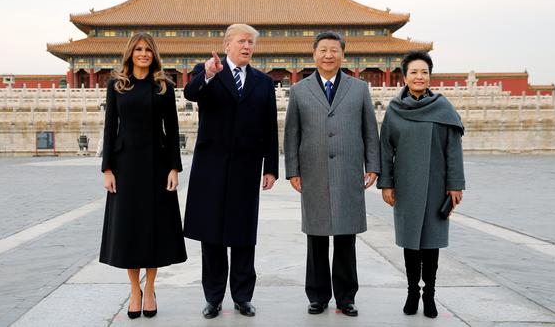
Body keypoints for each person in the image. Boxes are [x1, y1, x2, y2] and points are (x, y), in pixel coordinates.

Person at [183, 23, 279, 319]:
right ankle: (213, 298)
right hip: (210, 167)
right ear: (227, 46)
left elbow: (269, 128)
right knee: (211, 235)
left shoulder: (263, 83)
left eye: (251, 42)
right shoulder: (209, 70)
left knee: (242, 234)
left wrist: (271, 168)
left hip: (246, 168)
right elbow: (190, 93)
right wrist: (209, 75)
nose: (247, 47)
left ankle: (242, 296)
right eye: (241, 41)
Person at [284, 31, 380, 317]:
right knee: (316, 236)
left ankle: (346, 297)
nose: (328, 55)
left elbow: (369, 130)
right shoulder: (300, 90)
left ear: (343, 55)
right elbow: (292, 134)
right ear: (314, 54)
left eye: (334, 50)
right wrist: (293, 171)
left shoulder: (359, 88)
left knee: (345, 236)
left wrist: (372, 165)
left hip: (348, 170)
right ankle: (317, 295)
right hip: (313, 171)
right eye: (323, 50)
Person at [99, 32, 187, 319]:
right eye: (138, 49)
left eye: (148, 50)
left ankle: (150, 288)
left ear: (154, 54)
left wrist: (174, 167)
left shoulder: (163, 86)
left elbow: (172, 130)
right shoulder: (117, 85)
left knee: (154, 229)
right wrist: (107, 169)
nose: (143, 54)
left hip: (157, 165)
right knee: (129, 228)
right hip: (125, 166)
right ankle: (134, 289)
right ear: (130, 53)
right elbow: (110, 127)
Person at [377, 50, 465, 318]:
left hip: (437, 185)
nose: (419, 77)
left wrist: (455, 185)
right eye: (413, 72)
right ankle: (412, 291)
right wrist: (387, 184)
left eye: (424, 72)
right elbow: (385, 150)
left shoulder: (443, 108)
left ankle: (430, 295)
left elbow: (453, 150)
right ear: (404, 77)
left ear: (430, 77)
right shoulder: (394, 110)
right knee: (410, 243)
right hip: (406, 186)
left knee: (431, 244)